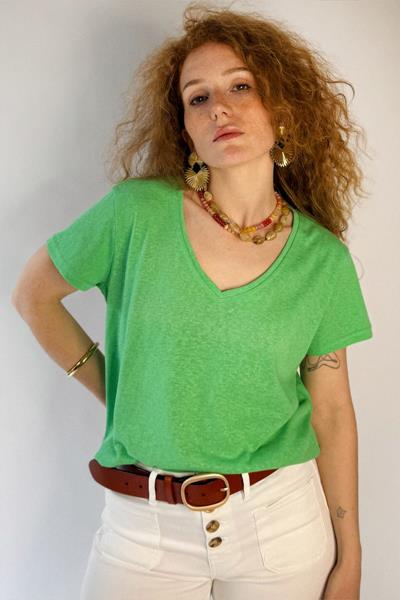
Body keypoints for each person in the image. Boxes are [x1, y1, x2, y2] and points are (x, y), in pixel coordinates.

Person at [11, 2, 373, 599]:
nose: (219, 108)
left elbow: (332, 412)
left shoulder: (322, 260)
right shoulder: (136, 215)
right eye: (197, 97)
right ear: (185, 129)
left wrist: (350, 554)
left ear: (282, 110)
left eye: (240, 86)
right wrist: (118, 392)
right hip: (143, 529)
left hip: (281, 527)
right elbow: (34, 295)